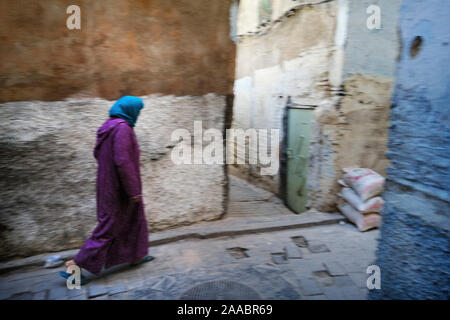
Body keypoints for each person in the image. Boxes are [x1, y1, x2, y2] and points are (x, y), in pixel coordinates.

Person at [60, 96, 153, 283]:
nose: (138, 115)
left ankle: (137, 256)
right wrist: (133, 191)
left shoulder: (108, 126)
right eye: (138, 111)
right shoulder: (123, 129)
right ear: (130, 110)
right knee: (108, 228)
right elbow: (122, 162)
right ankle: (74, 266)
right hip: (120, 189)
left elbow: (98, 153)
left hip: (108, 184)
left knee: (134, 220)